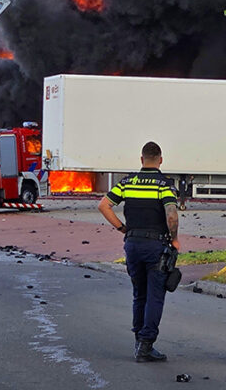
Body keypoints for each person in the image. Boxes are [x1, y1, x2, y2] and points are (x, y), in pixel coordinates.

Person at [98, 141, 180, 362]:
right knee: (155, 296)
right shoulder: (164, 184)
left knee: (139, 295)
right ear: (160, 160)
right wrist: (174, 239)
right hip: (156, 246)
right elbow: (171, 215)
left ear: (141, 159)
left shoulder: (127, 181)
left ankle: (138, 342)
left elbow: (103, 205)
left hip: (132, 244)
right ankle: (146, 345)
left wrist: (122, 227)